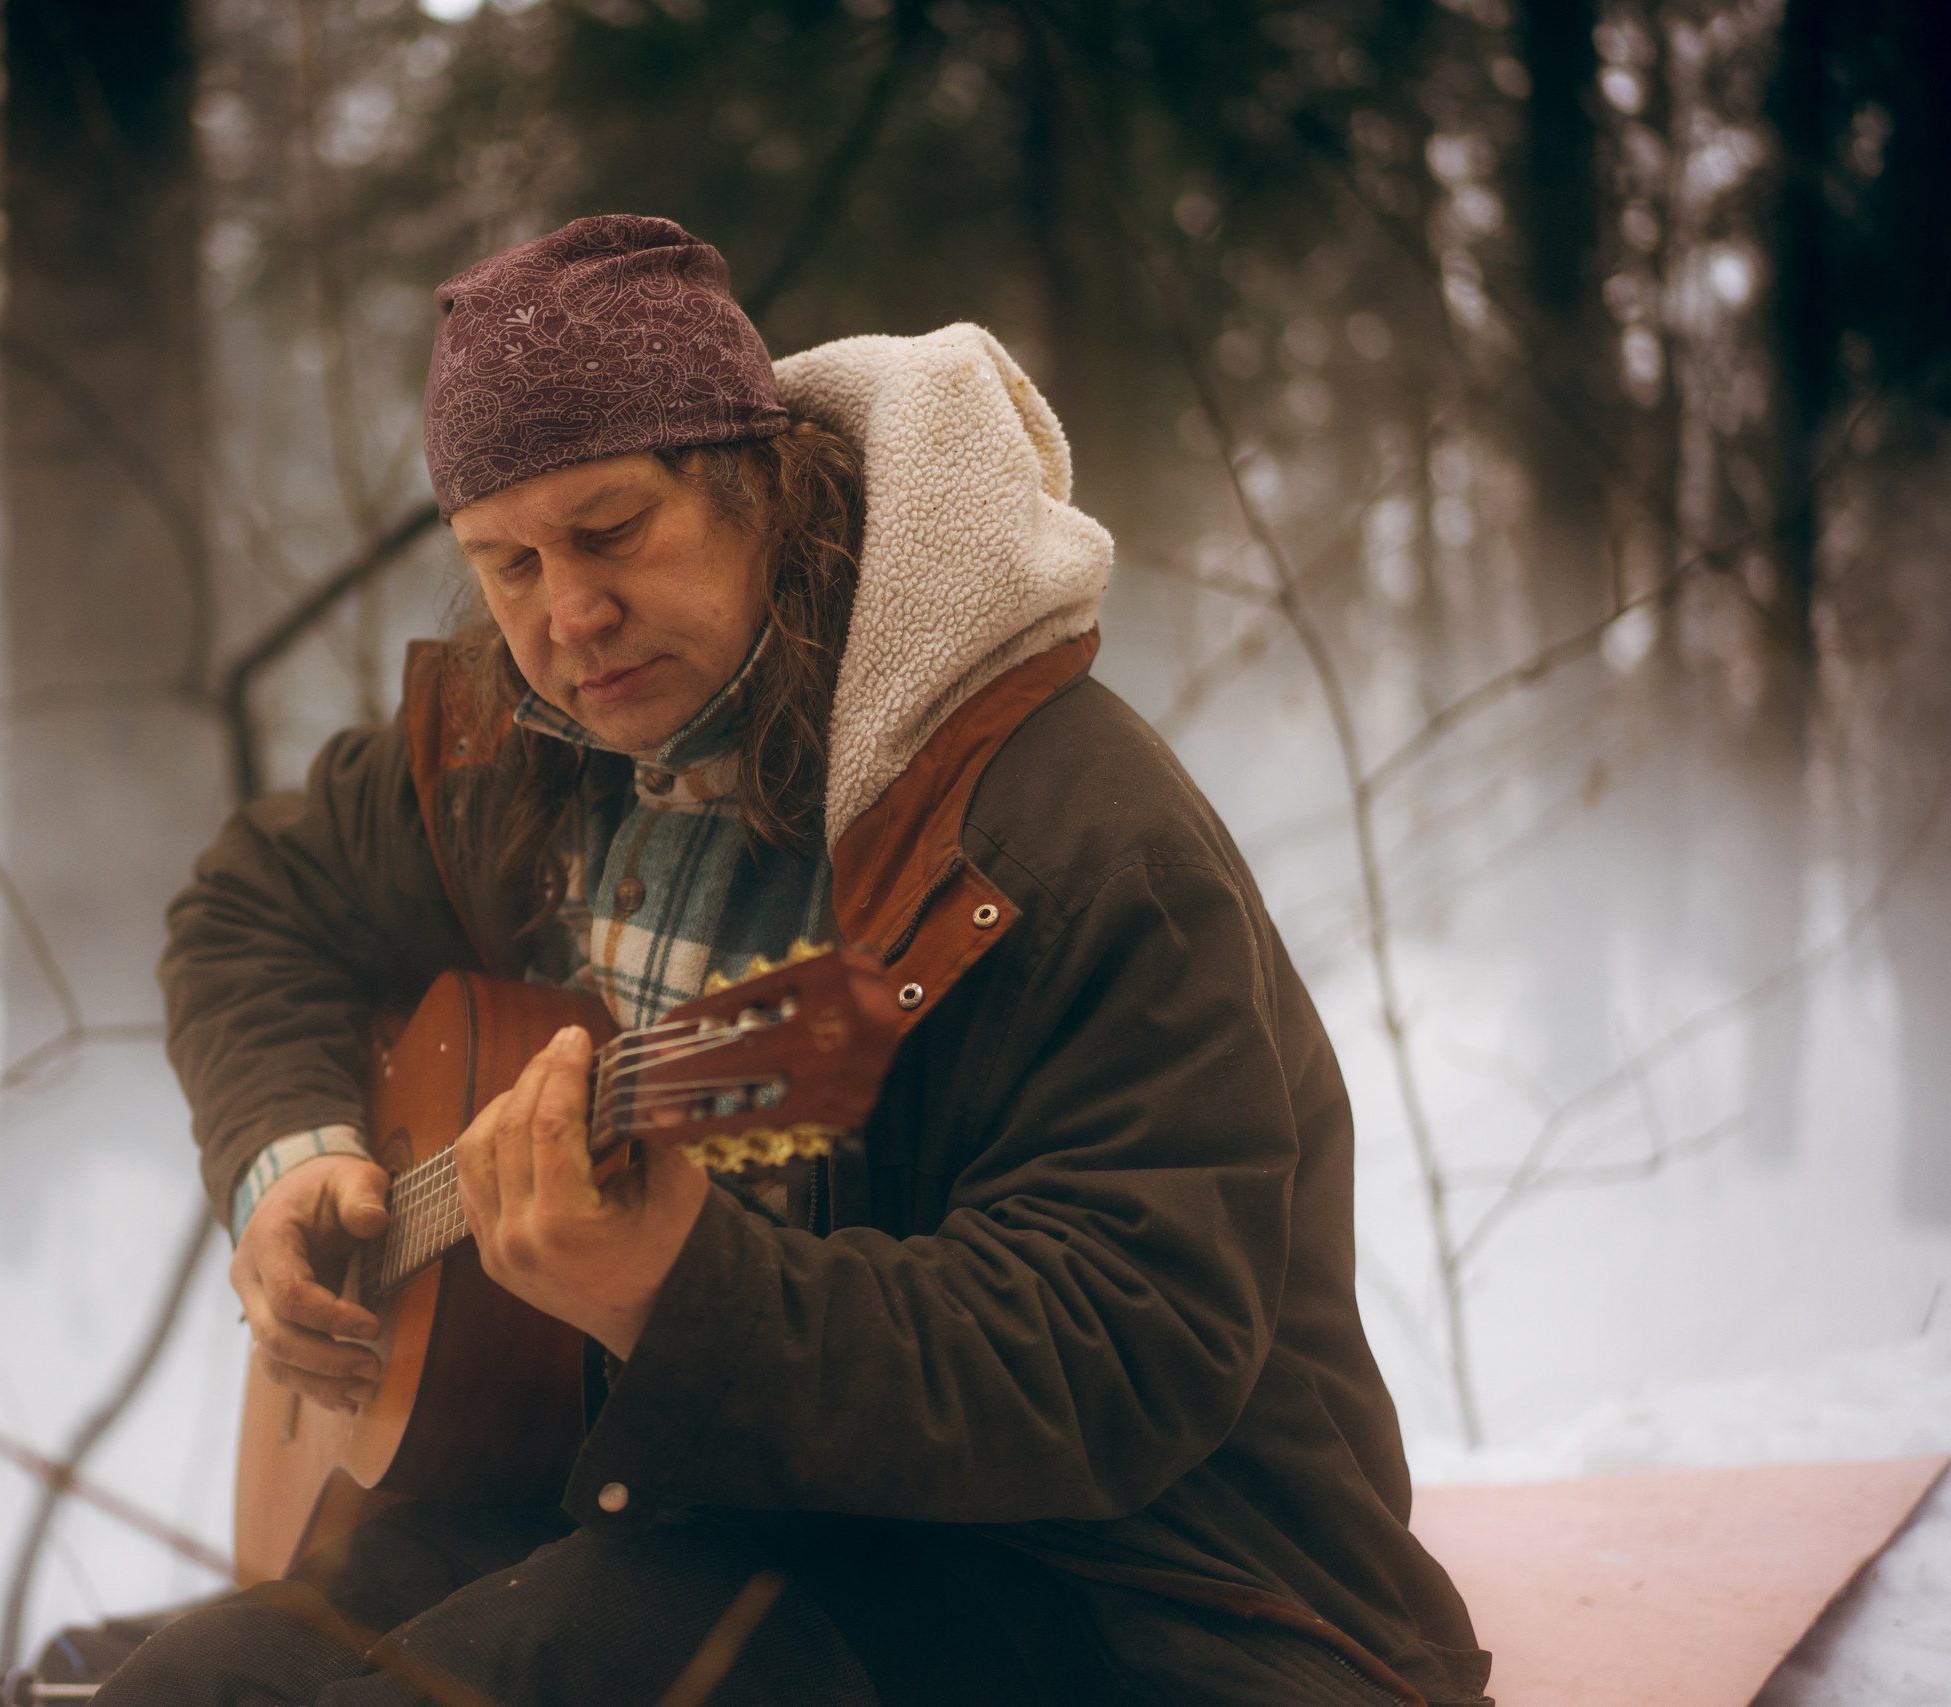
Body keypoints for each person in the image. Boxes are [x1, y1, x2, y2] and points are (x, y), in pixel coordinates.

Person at [103, 215, 1490, 1706]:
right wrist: (291, 1153)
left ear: (763, 480)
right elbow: (255, 906)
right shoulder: (519, 757)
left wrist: (674, 1291)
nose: (566, 617)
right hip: (667, 1493)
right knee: (196, 1686)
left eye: (610, 528)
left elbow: (1121, 1350)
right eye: (505, 564)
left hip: (1124, 1590)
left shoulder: (1068, 838)